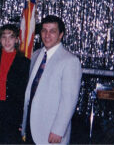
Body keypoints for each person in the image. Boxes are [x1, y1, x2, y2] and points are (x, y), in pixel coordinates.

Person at [21, 15, 82, 144]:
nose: (47, 35)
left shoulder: (70, 61)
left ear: (61, 35)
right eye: (44, 30)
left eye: (52, 31)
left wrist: (59, 129)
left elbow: (69, 100)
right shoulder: (36, 55)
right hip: (30, 127)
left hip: (52, 131)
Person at [0, 24, 30, 144]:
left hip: (11, 112)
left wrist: (22, 120)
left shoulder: (24, 63)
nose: (7, 41)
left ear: (17, 40)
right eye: (4, 37)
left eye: (11, 37)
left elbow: (24, 93)